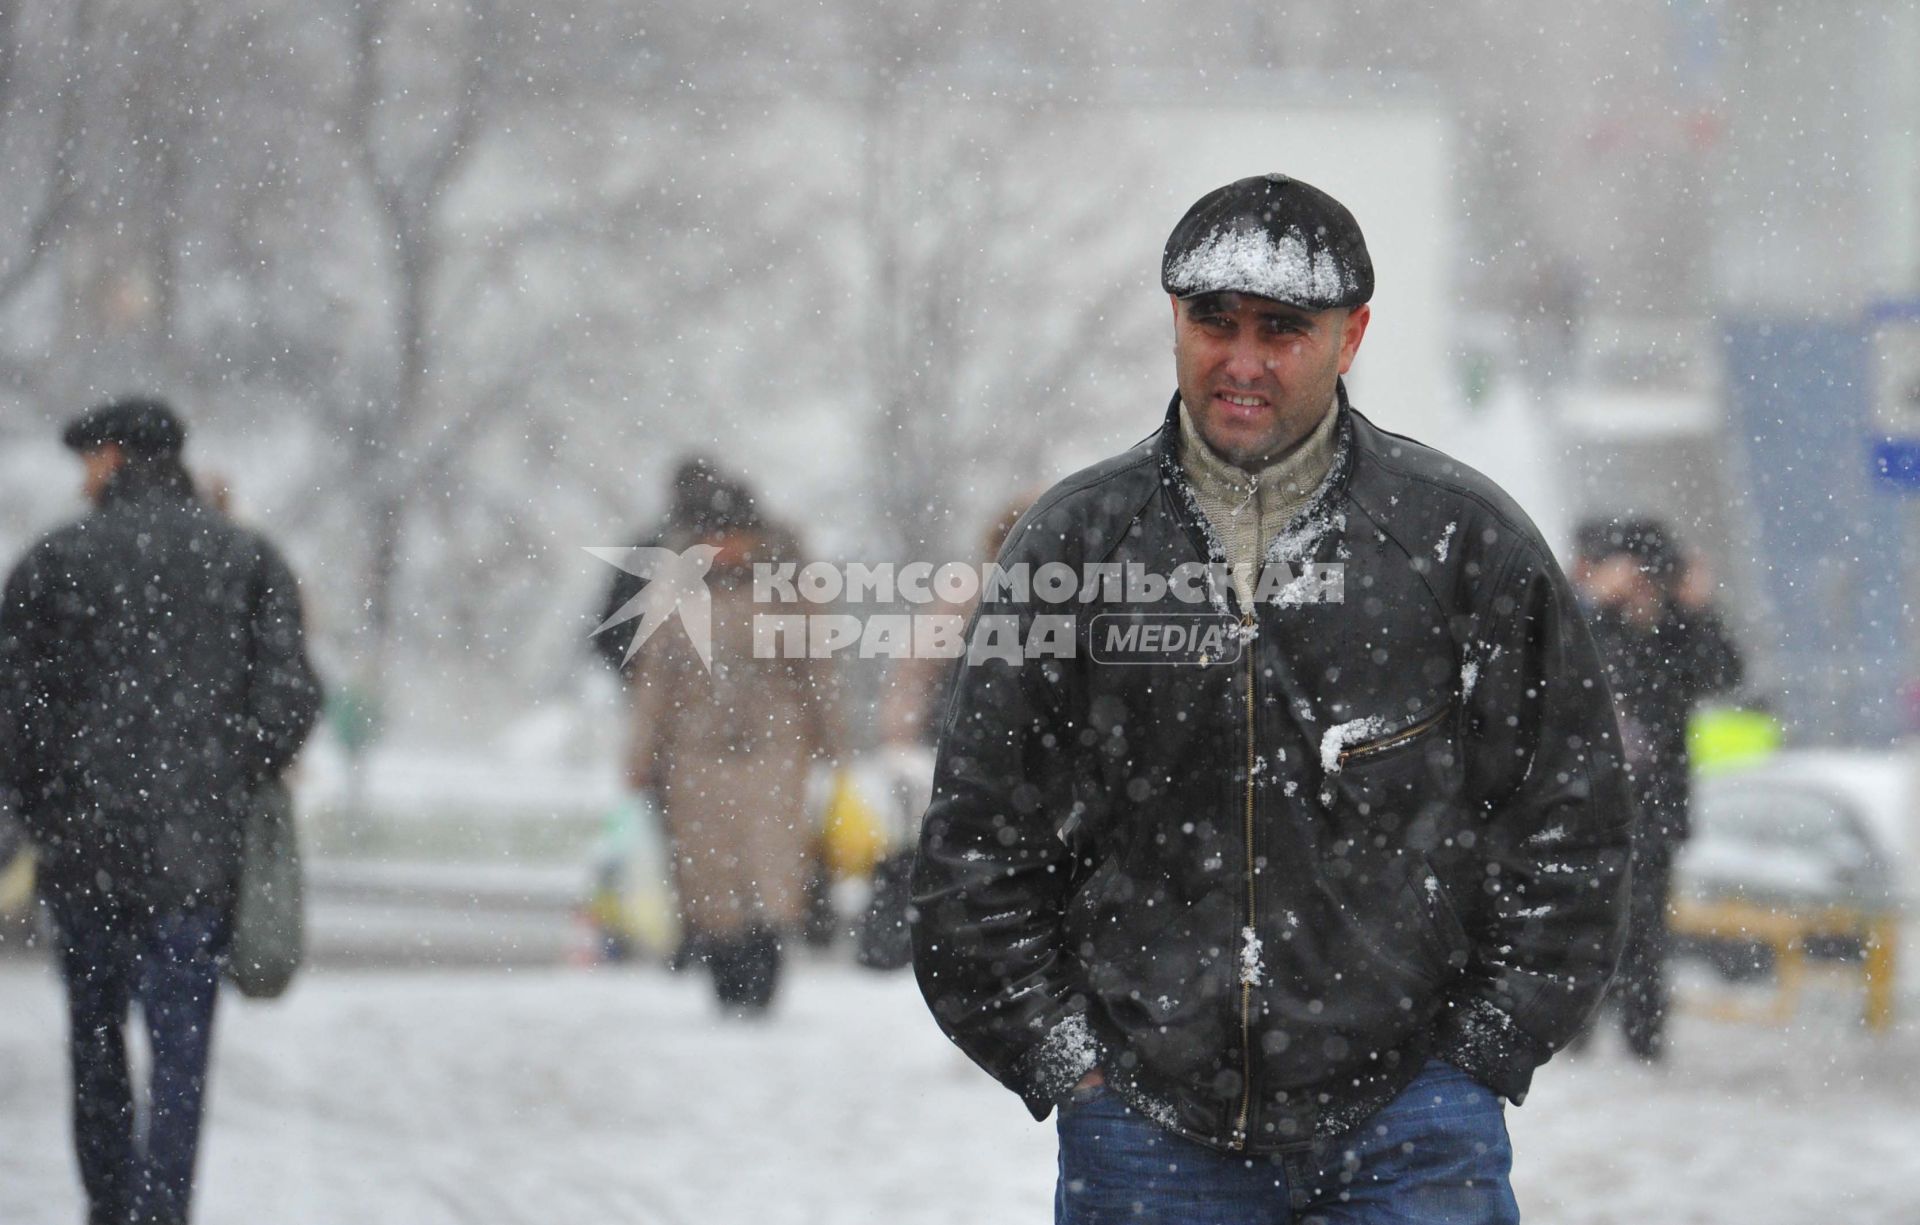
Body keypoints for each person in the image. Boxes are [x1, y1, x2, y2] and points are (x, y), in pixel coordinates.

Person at [911, 174, 1633, 1223]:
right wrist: (1071, 1062)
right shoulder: (1074, 548)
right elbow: (973, 847)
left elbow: (1571, 826)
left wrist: (1481, 1052)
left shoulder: (1464, 544)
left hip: (1414, 1131)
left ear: (1352, 336)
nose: (1242, 359)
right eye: (1215, 321)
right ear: (1175, 321)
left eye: (1282, 329)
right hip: (1146, 1137)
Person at [0, 398, 323, 1225]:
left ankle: (108, 1200)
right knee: (182, 1052)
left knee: (95, 1039)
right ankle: (163, 1208)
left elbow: (13, 713)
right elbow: (292, 697)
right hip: (197, 854)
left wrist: (41, 805)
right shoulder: (246, 558)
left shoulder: (55, 561)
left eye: (89, 459)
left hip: (85, 851)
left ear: (111, 458)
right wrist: (225, 766)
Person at [622, 464, 838, 1013]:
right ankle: (724, 971)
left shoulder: (788, 588)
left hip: (775, 748)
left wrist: (833, 741)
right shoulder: (675, 591)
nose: (721, 547)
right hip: (695, 749)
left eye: (729, 534)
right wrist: (640, 752)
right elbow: (656, 678)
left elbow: (816, 667)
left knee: (771, 867)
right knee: (709, 871)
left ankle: (764, 970)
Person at [1570, 518, 1743, 1061]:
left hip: (1655, 804)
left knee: (1644, 923)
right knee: (1584, 916)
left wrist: (1695, 610)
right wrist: (1601, 604)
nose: (1642, 581)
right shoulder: (1591, 621)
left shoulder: (1678, 629)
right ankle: (1577, 1029)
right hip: (1585, 802)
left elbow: (1723, 675)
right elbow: (1562, 670)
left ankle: (1643, 1037)